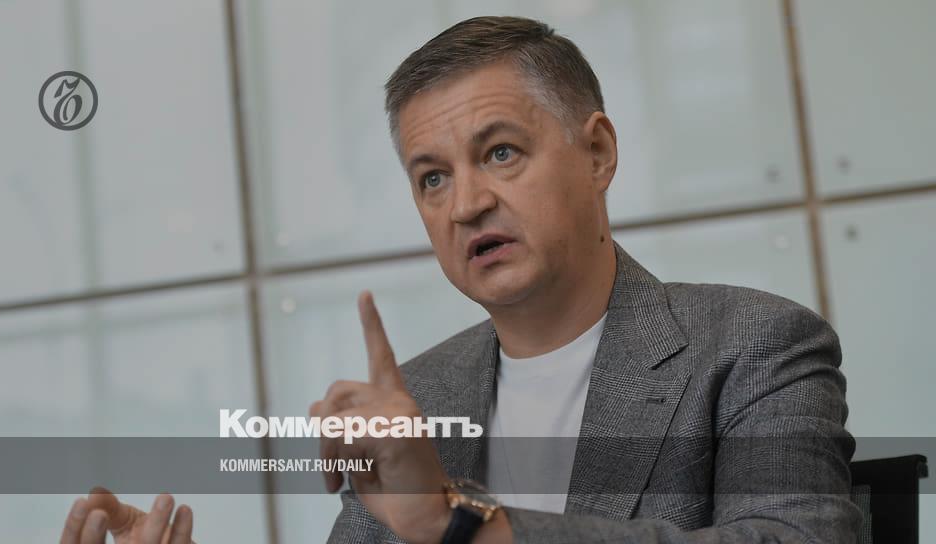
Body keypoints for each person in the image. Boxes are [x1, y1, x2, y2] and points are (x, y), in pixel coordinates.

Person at [60, 15, 862, 544]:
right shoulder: (419, 396)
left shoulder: (754, 344)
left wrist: (457, 525)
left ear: (597, 153)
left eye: (500, 152)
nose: (467, 203)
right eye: (432, 178)